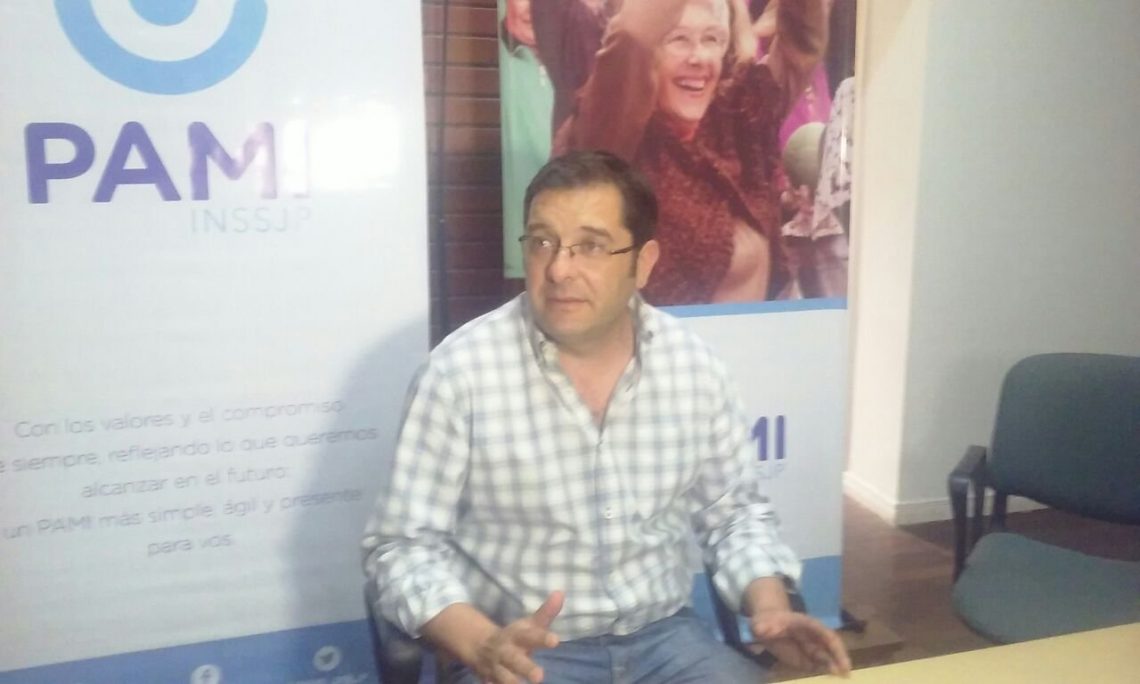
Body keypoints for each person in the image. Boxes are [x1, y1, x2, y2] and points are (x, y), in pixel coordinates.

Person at [362, 151, 850, 683]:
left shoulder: (693, 367)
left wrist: (770, 607)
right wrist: (479, 642)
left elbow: (734, 516)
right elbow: (401, 547)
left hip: (667, 641)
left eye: (590, 246)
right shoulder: (459, 374)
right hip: (522, 649)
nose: (558, 269)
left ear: (643, 262)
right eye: (542, 242)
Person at [556, 0, 827, 305]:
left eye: (710, 39)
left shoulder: (737, 120)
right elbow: (634, 35)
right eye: (678, 39)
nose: (698, 57)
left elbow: (802, 44)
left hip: (754, 333)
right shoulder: (610, 137)